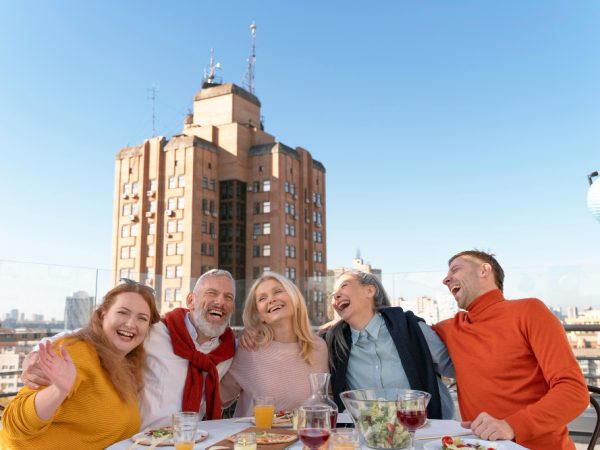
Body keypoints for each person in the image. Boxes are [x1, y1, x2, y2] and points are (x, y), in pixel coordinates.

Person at [20, 269, 237, 429]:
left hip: (190, 440)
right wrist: (35, 354)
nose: (220, 301)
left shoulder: (227, 351)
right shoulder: (154, 331)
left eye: (228, 297)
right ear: (191, 300)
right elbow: (92, 335)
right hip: (137, 441)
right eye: (212, 293)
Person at [434, 250, 588, 449]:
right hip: (480, 445)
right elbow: (399, 331)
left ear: (484, 270)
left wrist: (511, 426)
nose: (446, 279)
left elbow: (574, 392)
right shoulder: (451, 328)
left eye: (455, 269)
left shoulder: (529, 311)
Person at [1, 280, 160, 450]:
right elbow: (13, 424)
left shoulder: (126, 365)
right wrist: (58, 391)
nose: (131, 324)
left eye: (142, 318)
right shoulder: (72, 353)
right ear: (102, 315)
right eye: (122, 312)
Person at [326, 270, 455, 420]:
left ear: (369, 290)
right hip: (373, 435)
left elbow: (455, 369)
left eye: (344, 286)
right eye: (333, 294)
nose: (336, 295)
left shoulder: (411, 329)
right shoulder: (334, 343)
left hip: (425, 430)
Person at [220, 271, 329, 416]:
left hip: (305, 437)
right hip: (256, 436)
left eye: (277, 291)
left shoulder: (319, 347)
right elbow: (217, 398)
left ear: (295, 299)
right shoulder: (248, 348)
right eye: (262, 298)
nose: (271, 300)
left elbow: (324, 402)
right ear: (259, 315)